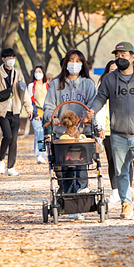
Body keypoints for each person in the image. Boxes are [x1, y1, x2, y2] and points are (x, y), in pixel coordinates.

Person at [87, 41, 134, 220]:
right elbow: (100, 98)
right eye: (117, 56)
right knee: (121, 171)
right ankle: (126, 203)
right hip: (118, 134)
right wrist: (91, 110)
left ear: (132, 57)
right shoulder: (110, 79)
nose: (120, 59)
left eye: (123, 56)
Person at [43, 51, 97, 206]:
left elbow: (93, 106)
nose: (74, 63)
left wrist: (90, 117)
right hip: (62, 135)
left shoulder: (88, 84)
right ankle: (68, 198)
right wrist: (52, 118)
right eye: (71, 60)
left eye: (78, 61)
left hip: (81, 134)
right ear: (66, 63)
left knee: (81, 163)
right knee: (65, 167)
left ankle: (82, 193)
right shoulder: (56, 84)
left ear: (83, 64)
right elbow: (48, 107)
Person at [0, 48, 27, 176]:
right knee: (8, 136)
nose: (11, 60)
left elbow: (24, 92)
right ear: (3, 59)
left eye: (13, 58)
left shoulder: (18, 74)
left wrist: (29, 108)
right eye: (9, 58)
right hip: (2, 111)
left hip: (15, 110)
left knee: (14, 139)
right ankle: (1, 160)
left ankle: (11, 167)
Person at [94, 60, 121, 203]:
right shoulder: (103, 87)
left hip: (123, 129)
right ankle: (115, 190)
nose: (114, 72)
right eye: (111, 69)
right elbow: (99, 109)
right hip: (109, 130)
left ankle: (126, 188)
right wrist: (100, 127)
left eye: (116, 69)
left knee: (125, 160)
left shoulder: (124, 85)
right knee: (112, 161)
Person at [26, 66, 49, 163]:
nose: (38, 73)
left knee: (44, 134)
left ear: (43, 73)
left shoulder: (48, 85)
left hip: (47, 112)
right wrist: (35, 113)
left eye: (39, 71)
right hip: (35, 111)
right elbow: (30, 101)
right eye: (36, 72)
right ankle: (41, 155)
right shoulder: (31, 86)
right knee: (39, 131)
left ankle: (40, 153)